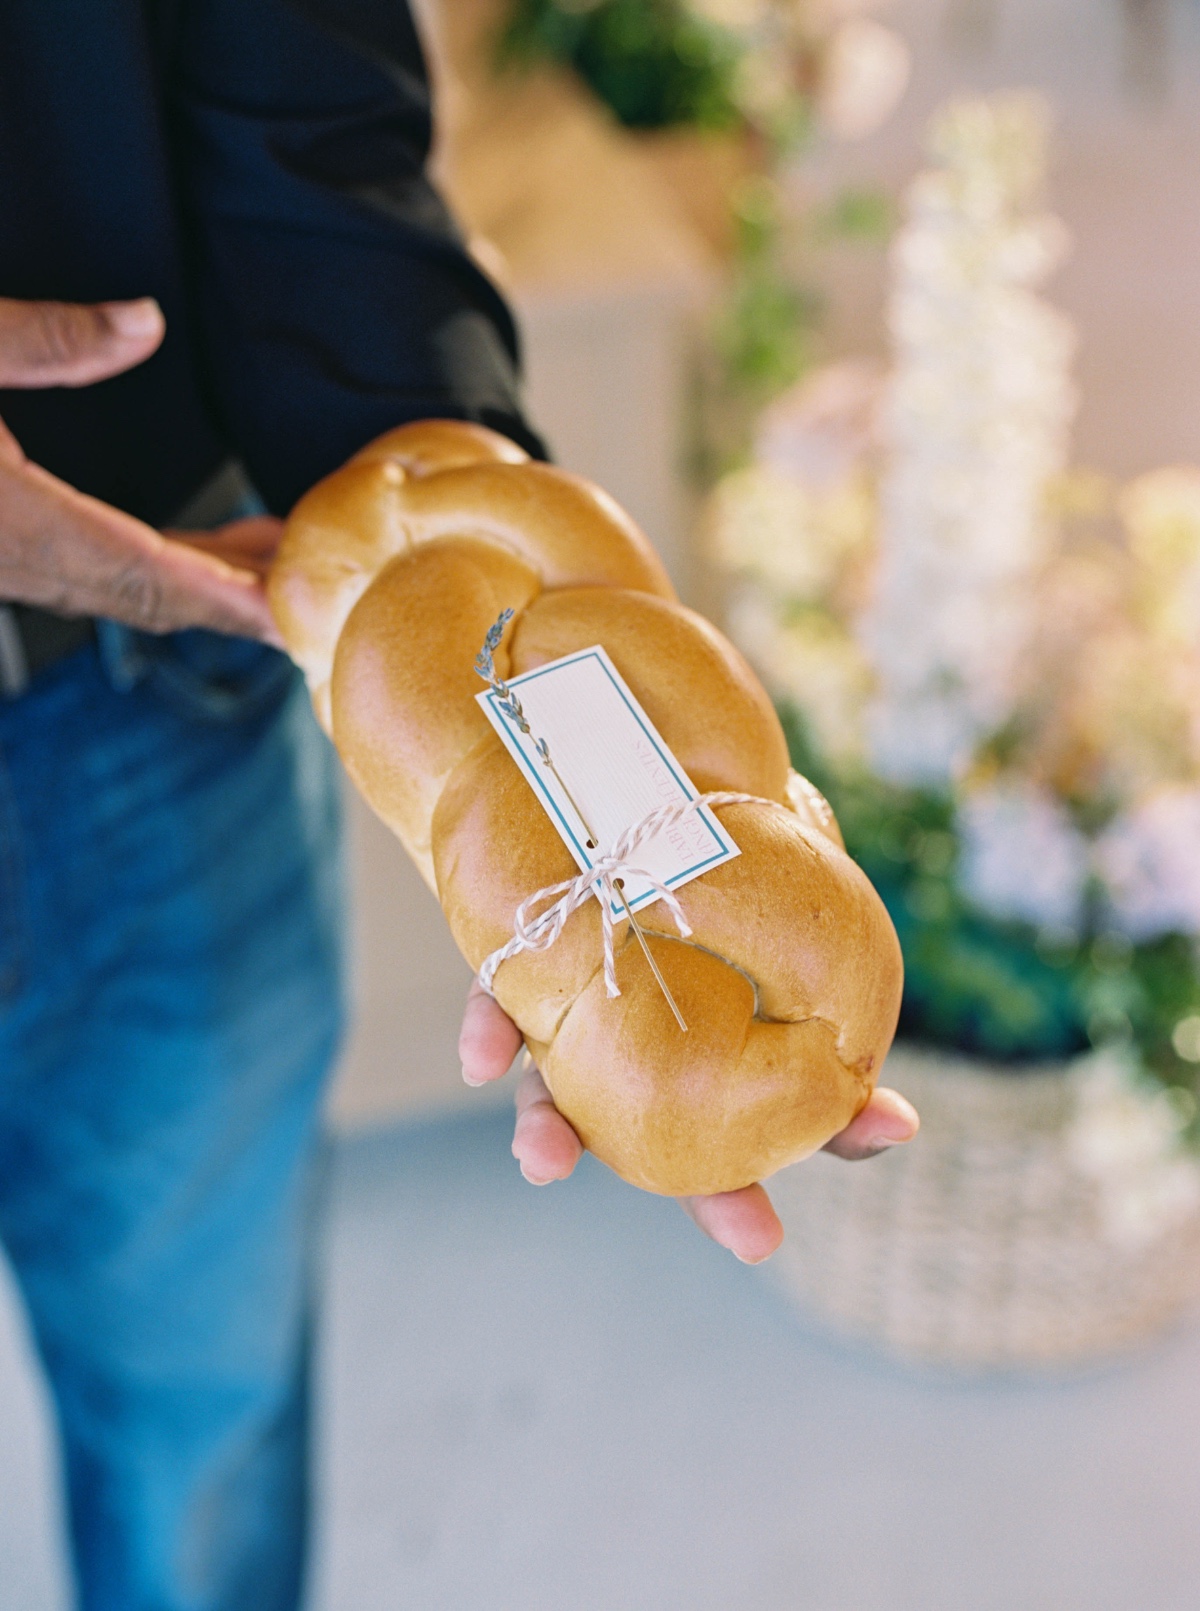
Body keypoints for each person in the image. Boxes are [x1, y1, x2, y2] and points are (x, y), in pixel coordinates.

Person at [0, 4, 918, 1609]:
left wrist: (429, 453)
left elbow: (298, 74)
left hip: (165, 644)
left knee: (199, 1419)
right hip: (191, 631)